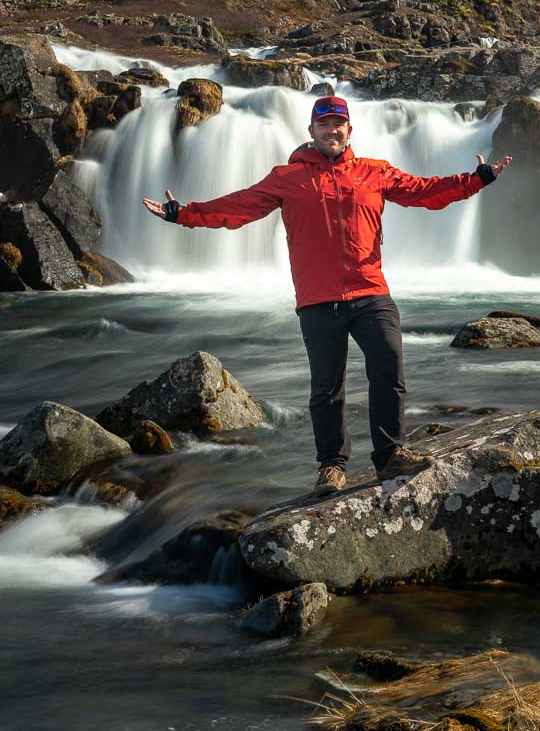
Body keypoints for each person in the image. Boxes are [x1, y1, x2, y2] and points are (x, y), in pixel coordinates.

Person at [143, 96, 512, 495]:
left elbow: (423, 191)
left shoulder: (375, 172)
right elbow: (240, 207)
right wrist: (183, 213)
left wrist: (476, 180)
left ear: (349, 130)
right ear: (312, 131)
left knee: (388, 366)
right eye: (324, 124)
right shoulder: (287, 178)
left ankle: (390, 456)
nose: (332, 130)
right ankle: (332, 467)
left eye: (339, 124)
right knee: (326, 387)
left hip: (370, 290)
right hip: (318, 299)